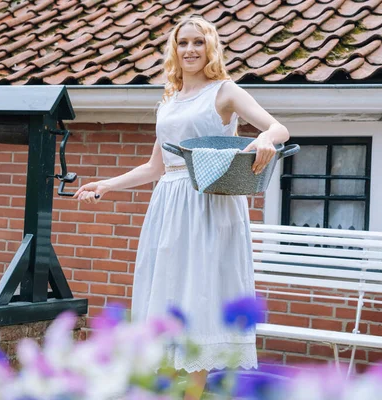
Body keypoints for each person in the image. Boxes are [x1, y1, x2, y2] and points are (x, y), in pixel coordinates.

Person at [73, 15, 289, 400]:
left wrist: (265, 141)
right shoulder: (169, 100)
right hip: (169, 205)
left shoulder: (224, 92)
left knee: (200, 292)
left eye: (198, 42)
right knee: (169, 293)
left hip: (209, 203)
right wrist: (107, 184)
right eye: (183, 42)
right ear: (174, 49)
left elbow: (277, 128)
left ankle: (191, 394)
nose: (190, 49)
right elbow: (155, 167)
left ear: (210, 47)